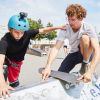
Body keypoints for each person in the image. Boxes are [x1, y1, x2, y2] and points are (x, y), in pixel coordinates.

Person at [0, 12, 65, 98]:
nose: (19, 35)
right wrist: (2, 84)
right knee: (4, 72)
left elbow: (44, 30)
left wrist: (58, 27)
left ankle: (12, 83)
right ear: (9, 29)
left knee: (14, 82)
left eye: (21, 32)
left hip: (17, 62)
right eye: (16, 32)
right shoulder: (4, 40)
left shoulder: (28, 33)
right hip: (7, 60)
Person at [42, 4, 100, 83]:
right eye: (69, 19)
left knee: (84, 37)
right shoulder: (65, 28)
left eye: (73, 20)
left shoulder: (88, 27)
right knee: (60, 74)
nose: (70, 22)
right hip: (73, 54)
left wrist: (90, 71)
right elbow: (56, 48)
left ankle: (85, 64)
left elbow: (97, 50)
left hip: (87, 54)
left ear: (81, 18)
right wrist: (48, 66)